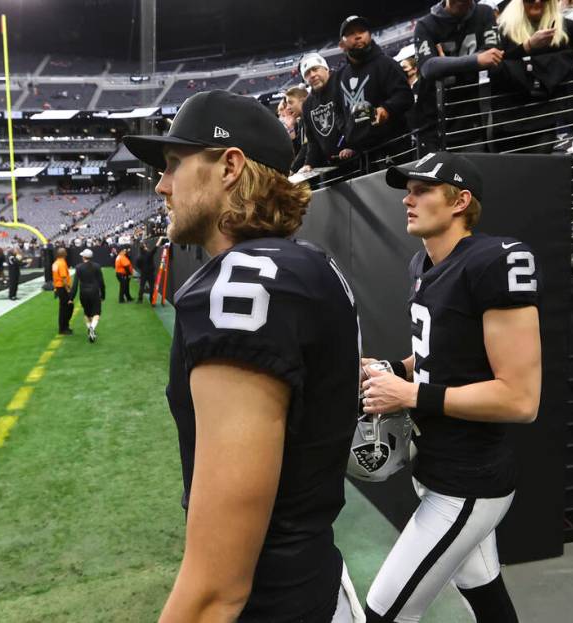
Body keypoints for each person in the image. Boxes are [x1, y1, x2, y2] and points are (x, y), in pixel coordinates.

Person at [122, 90, 362, 622]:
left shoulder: (241, 285)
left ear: (229, 166)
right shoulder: (307, 265)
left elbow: (218, 588)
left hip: (273, 602)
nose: (162, 185)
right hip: (316, 578)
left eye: (174, 165)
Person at [360, 151, 542, 623]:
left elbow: (520, 399)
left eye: (422, 190)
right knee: (483, 590)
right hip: (438, 466)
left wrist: (413, 396)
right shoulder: (423, 263)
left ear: (461, 201)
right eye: (408, 189)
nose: (407, 198)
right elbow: (432, 355)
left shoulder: (490, 262)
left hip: (469, 481)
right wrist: (392, 371)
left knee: (385, 610)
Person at [488, 0, 573, 154]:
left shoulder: (561, 26)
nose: (537, 2)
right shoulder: (502, 30)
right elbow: (494, 64)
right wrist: (528, 46)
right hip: (511, 119)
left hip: (547, 117)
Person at [412, 0, 503, 152]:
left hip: (471, 118)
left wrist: (445, 64)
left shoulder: (484, 13)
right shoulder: (425, 24)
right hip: (434, 121)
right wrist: (477, 60)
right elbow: (428, 67)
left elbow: (493, 54)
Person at [337, 15, 414, 159]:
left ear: (370, 35)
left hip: (393, 149)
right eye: (351, 33)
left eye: (362, 31)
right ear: (342, 43)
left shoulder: (387, 63)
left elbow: (405, 96)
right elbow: (337, 109)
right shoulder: (341, 75)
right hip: (360, 156)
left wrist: (386, 109)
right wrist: (348, 130)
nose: (358, 36)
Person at [297, 53, 347, 173]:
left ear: (325, 68)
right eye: (307, 73)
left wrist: (352, 146)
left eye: (315, 69)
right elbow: (312, 140)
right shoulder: (307, 104)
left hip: (354, 157)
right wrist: (309, 163)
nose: (312, 75)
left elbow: (353, 118)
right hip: (330, 165)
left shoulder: (342, 84)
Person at [70, 248, 105, 343]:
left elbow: (75, 284)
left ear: (83, 257)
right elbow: (101, 282)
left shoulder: (78, 267)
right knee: (96, 313)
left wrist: (71, 297)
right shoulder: (97, 266)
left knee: (87, 313)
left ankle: (90, 328)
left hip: (83, 293)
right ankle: (92, 328)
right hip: (94, 292)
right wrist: (103, 295)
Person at [52, 247, 74, 335]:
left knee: (64, 308)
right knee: (67, 308)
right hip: (63, 288)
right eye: (65, 252)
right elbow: (63, 277)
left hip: (58, 287)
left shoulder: (55, 263)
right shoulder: (61, 263)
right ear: (63, 254)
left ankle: (64, 326)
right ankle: (63, 328)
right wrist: (68, 289)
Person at [136, 239, 157, 304]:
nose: (147, 247)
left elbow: (138, 265)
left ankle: (140, 299)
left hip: (143, 273)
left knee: (142, 286)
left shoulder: (139, 256)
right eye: (145, 246)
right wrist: (159, 240)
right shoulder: (148, 254)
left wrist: (142, 269)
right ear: (144, 248)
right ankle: (151, 299)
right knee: (151, 287)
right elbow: (154, 250)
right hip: (150, 273)